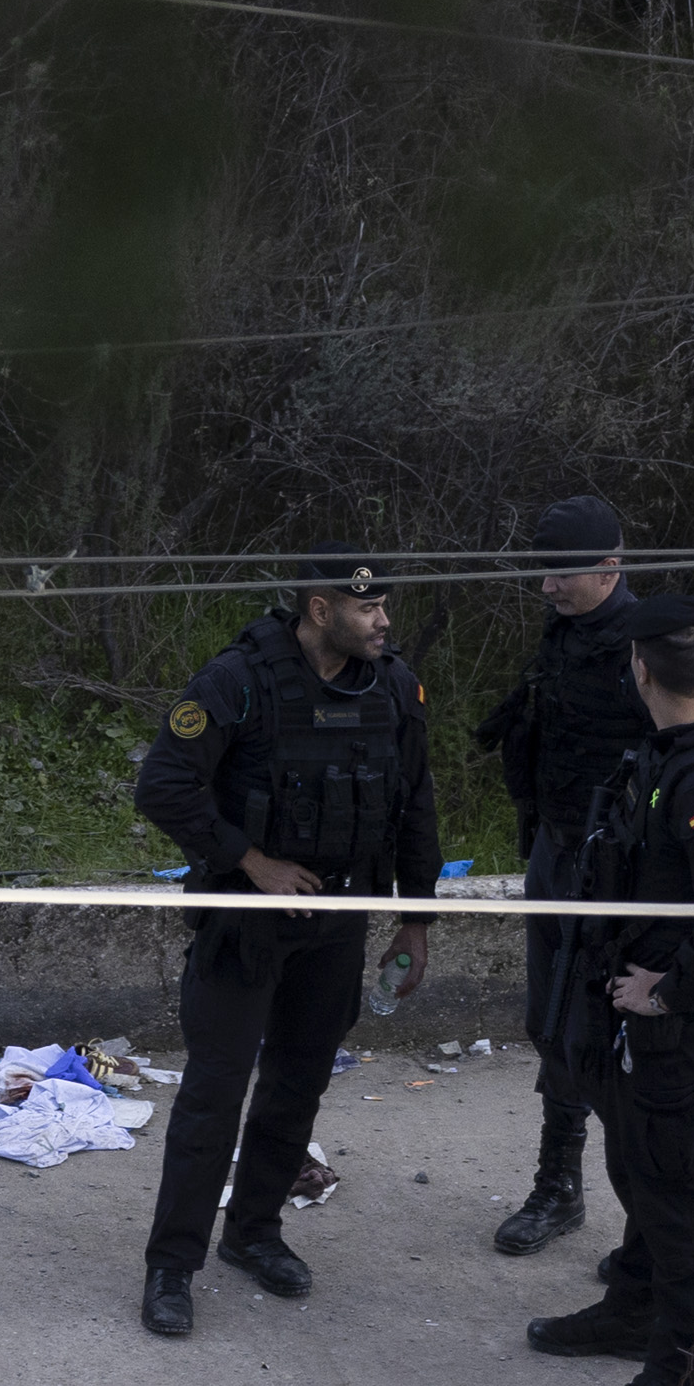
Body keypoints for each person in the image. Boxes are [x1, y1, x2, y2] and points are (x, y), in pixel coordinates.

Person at [127, 551, 442, 1340]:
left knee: (298, 1084)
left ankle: (255, 1231)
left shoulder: (396, 688)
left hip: (337, 919)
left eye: (386, 607)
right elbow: (162, 783)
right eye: (366, 608)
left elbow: (414, 805)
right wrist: (250, 860)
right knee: (215, 1091)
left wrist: (416, 919)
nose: (383, 621)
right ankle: (172, 1264)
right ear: (319, 607)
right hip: (247, 921)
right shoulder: (239, 681)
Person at [538, 597, 694, 1386]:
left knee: (674, 1190)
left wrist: (665, 994)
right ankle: (631, 1307)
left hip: (674, 1018)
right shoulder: (673, 752)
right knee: (635, 1158)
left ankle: (679, 1371)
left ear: (641, 669)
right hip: (631, 1003)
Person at [469, 495, 635, 1255]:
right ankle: (559, 1187)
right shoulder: (565, 633)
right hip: (557, 850)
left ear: (609, 569)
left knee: (613, 1040)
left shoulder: (645, 645)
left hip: (622, 872)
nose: (545, 586)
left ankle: (652, 1225)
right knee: (552, 1023)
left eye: (559, 572)